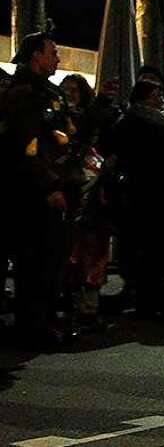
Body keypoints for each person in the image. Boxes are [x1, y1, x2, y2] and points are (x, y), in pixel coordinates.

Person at [1, 32, 83, 349]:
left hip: (55, 188)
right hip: (32, 196)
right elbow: (27, 147)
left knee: (51, 261)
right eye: (53, 52)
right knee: (36, 262)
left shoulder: (46, 92)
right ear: (36, 54)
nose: (58, 58)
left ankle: (45, 322)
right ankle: (33, 329)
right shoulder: (21, 94)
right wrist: (49, 186)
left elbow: (66, 135)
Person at [107, 78, 164, 317]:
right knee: (152, 247)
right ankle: (151, 301)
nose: (160, 100)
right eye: (156, 95)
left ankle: (141, 295)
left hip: (136, 191)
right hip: (151, 192)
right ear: (147, 97)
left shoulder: (126, 121)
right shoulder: (154, 124)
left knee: (139, 245)